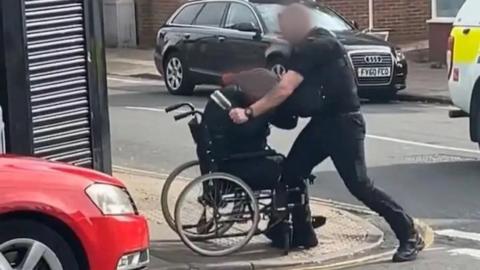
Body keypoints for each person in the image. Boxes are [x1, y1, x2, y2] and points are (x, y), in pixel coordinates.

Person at [229, 3, 424, 262]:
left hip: (344, 125)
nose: (283, 33)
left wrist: (250, 112)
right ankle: (303, 233)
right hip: (322, 124)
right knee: (291, 172)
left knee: (359, 185)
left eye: (286, 27)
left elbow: (285, 89)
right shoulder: (308, 45)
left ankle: (408, 232)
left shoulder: (317, 45)